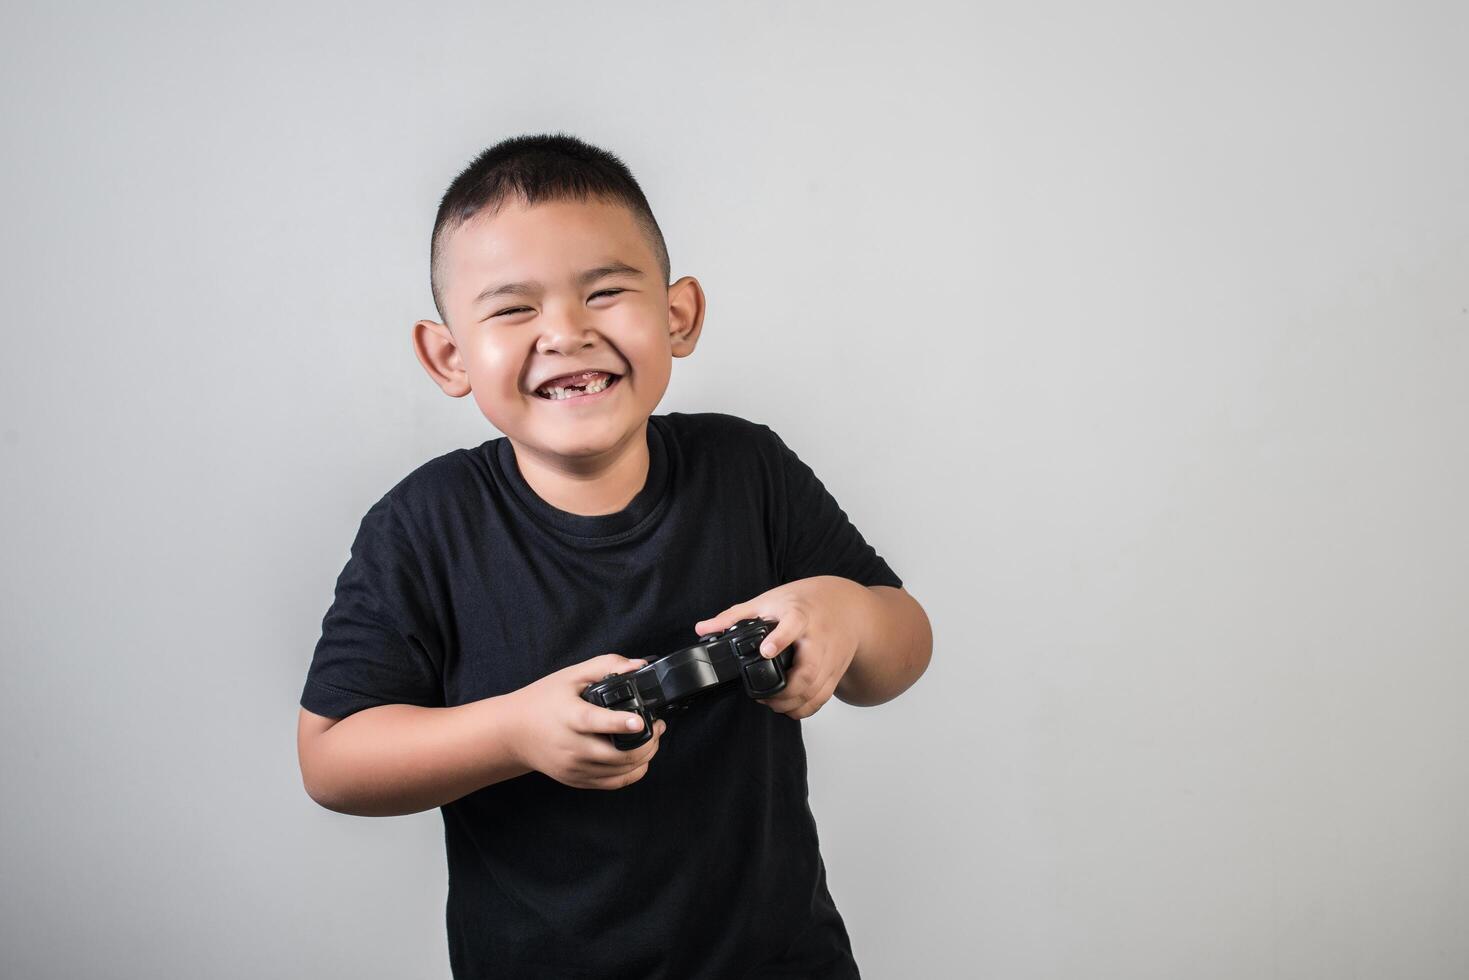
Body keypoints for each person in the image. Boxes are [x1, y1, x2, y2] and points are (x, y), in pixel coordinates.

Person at [295, 132, 933, 979]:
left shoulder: (747, 469)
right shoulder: (422, 527)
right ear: (448, 356)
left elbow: (902, 647)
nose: (565, 333)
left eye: (604, 292)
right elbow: (333, 759)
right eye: (513, 308)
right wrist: (514, 732)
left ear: (679, 316)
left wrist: (845, 614)